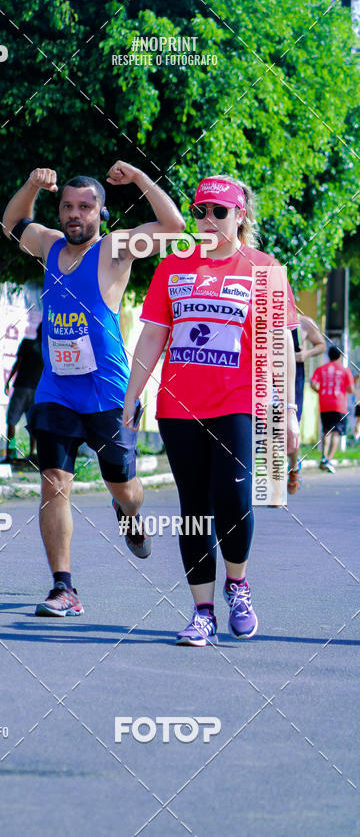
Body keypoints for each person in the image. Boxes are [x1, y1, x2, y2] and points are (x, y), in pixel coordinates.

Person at [2, 161, 185, 616]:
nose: (74, 214)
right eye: (67, 206)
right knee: (53, 485)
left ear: (101, 213)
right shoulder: (48, 245)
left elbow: (174, 226)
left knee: (123, 486)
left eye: (85, 206)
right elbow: (11, 224)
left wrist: (142, 179)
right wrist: (30, 184)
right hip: (57, 390)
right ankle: (64, 587)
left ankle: (129, 514)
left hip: (107, 393)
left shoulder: (116, 249)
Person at [123, 175, 299, 646]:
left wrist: (290, 411)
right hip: (179, 408)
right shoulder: (174, 267)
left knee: (234, 501)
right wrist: (132, 393)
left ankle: (237, 585)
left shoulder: (264, 268)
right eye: (201, 211)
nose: (207, 220)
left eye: (219, 212)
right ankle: (203, 613)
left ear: (240, 216)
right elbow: (154, 335)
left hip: (239, 402)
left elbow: (280, 344)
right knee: (194, 511)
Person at [287, 315, 325, 493]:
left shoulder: (303, 322)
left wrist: (305, 354)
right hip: (268, 373)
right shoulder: (264, 314)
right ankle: (273, 480)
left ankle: (293, 468)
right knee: (266, 427)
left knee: (291, 425)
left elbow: (321, 344)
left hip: (294, 375)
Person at [3, 322, 43, 462]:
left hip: (21, 388)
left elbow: (18, 363)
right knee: (34, 423)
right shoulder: (48, 350)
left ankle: (11, 453)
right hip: (37, 391)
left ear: (37, 331)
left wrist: (8, 381)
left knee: (12, 421)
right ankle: (32, 453)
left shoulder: (26, 343)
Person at [310, 346, 354, 473]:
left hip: (325, 404)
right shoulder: (345, 370)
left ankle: (323, 457)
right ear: (340, 356)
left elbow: (313, 383)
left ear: (329, 356)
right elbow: (350, 389)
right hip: (339, 405)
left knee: (327, 431)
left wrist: (319, 391)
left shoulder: (321, 369)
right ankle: (329, 459)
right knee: (336, 433)